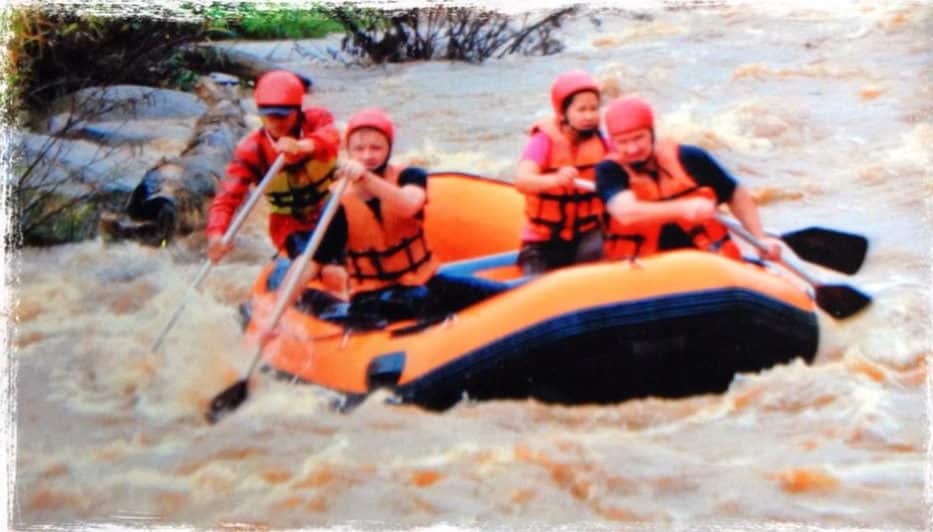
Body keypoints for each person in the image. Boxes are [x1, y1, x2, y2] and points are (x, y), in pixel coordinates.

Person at [268, 108, 445, 327]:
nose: (368, 156)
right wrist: (276, 313)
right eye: (359, 149)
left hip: (425, 277)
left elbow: (409, 205)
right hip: (372, 296)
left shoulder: (411, 176)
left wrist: (366, 178)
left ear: (389, 148)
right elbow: (311, 261)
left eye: (376, 148)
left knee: (465, 294)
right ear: (349, 151)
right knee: (418, 299)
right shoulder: (340, 203)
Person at [596, 96, 782, 262]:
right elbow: (626, 212)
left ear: (652, 133)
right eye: (623, 142)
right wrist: (682, 209)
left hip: (705, 261)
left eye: (638, 138)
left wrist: (759, 237)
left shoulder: (690, 158)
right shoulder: (609, 171)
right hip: (642, 270)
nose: (632, 149)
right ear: (612, 143)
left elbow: (735, 193)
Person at [205, 70, 342, 268]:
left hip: (333, 213)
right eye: (268, 116)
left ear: (298, 110)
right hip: (290, 226)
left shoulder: (316, 120)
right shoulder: (252, 150)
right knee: (309, 258)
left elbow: (332, 135)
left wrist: (302, 146)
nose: (275, 123)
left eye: (282, 116)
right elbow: (226, 200)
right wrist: (216, 234)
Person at [514, 70, 611, 275]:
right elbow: (522, 181)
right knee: (535, 283)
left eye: (594, 109)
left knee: (600, 259)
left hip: (587, 234)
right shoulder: (543, 140)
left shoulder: (603, 141)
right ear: (563, 113)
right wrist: (555, 180)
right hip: (542, 242)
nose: (589, 116)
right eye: (581, 109)